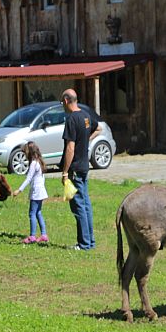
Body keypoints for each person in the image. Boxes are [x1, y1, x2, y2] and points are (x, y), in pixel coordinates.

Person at [60, 89, 101, 250]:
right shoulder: (85, 115)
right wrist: (84, 139)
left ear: (65, 100)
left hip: (75, 169)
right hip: (84, 167)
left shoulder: (71, 119)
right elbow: (98, 129)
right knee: (86, 204)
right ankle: (90, 242)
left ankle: (84, 244)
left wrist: (65, 172)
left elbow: (70, 148)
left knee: (78, 206)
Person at [12, 142, 49, 244]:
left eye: (25, 153)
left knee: (32, 213)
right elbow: (42, 178)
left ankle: (32, 236)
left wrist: (19, 190)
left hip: (36, 192)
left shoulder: (33, 163)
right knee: (38, 213)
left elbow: (28, 179)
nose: (24, 155)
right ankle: (44, 235)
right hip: (41, 191)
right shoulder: (40, 162)